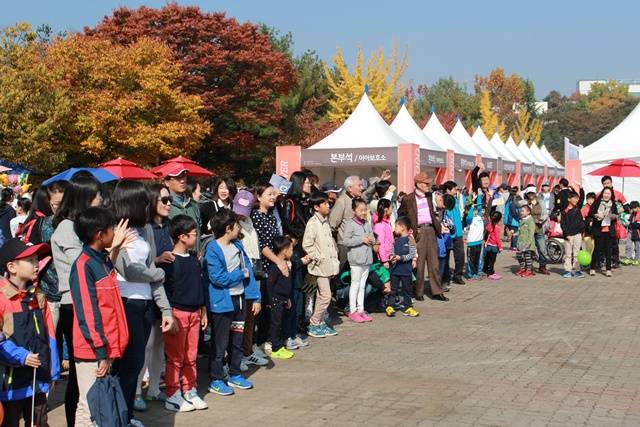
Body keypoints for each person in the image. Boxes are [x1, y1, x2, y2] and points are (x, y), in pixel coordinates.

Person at [110, 180, 175, 427]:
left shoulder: (145, 230)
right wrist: (157, 273)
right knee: (126, 365)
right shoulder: (116, 230)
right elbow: (128, 269)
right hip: (125, 303)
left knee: (136, 364)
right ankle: (119, 416)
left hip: (146, 305)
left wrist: (165, 309)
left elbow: (147, 269)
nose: (148, 205)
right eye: (144, 200)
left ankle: (127, 416)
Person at [69, 208, 130, 427]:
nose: (114, 232)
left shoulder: (102, 260)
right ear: (98, 234)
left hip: (105, 346)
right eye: (111, 229)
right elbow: (88, 313)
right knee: (89, 405)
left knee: (102, 405)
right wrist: (101, 351)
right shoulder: (84, 265)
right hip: (92, 350)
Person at [51, 175, 102, 426]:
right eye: (96, 196)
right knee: (79, 371)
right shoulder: (66, 228)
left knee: (88, 370)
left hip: (86, 302)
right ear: (83, 199)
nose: (101, 200)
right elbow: (80, 267)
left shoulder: (81, 227)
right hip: (73, 304)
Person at [0, 238, 58, 427]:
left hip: (38, 378)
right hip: (11, 383)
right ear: (12, 267)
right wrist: (22, 356)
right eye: (31, 260)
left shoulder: (38, 296)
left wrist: (53, 371)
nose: (37, 264)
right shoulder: (2, 298)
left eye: (37, 260)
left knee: (39, 421)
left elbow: (50, 335)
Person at [204, 209, 261, 396]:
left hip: (240, 300)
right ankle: (216, 378)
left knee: (237, 340)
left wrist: (255, 297)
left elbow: (249, 272)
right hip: (222, 303)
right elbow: (218, 278)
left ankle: (235, 373)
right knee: (220, 343)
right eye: (236, 225)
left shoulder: (238, 246)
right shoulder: (212, 249)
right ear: (228, 228)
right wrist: (239, 274)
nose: (239, 228)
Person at [134, 184, 174, 411]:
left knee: (160, 343)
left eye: (169, 200)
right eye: (164, 200)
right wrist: (158, 260)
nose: (169, 204)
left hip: (166, 292)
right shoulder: (144, 228)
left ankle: (154, 389)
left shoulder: (167, 227)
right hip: (148, 292)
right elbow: (143, 263)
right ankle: (138, 390)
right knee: (146, 344)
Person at [162, 215, 208, 412]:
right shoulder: (169, 261)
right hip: (177, 313)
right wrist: (168, 315)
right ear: (182, 236)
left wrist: (203, 310)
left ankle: (190, 389)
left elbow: (200, 286)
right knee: (175, 357)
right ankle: (172, 393)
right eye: (193, 234)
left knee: (191, 355)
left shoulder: (194, 260)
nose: (196, 237)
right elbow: (165, 291)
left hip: (194, 313)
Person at [232, 191, 270, 370]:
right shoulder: (230, 222)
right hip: (240, 272)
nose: (241, 213)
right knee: (240, 317)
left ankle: (247, 351)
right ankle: (237, 355)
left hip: (255, 270)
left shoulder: (249, 222)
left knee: (251, 315)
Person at [398, 172, 447, 302]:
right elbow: (401, 214)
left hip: (431, 230)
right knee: (419, 265)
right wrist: (410, 230)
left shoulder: (429, 196)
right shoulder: (408, 198)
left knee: (434, 264)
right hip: (418, 232)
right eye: (426, 183)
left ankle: (437, 291)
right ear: (418, 184)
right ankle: (418, 291)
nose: (428, 185)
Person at [251, 182, 285, 355]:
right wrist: (278, 261)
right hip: (263, 269)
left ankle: (266, 342)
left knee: (271, 308)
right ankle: (257, 344)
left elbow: (276, 242)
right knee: (262, 308)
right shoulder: (255, 216)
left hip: (273, 267)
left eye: (274, 194)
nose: (273, 197)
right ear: (258, 197)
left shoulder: (271, 216)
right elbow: (262, 245)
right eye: (269, 194)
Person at [302, 192, 340, 338]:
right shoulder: (313, 223)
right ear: (316, 207)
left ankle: (320, 322)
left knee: (322, 295)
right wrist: (318, 257)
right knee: (326, 295)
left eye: (328, 203)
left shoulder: (324, 222)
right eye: (324, 203)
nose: (328, 205)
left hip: (328, 265)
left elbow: (330, 243)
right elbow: (307, 244)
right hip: (319, 267)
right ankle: (314, 322)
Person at [343, 198, 376, 323]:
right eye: (360, 210)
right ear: (354, 210)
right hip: (356, 260)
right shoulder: (350, 224)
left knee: (362, 286)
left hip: (367, 260)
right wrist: (361, 240)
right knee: (355, 285)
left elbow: (372, 237)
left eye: (365, 210)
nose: (363, 212)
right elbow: (346, 241)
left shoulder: (367, 223)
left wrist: (372, 239)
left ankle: (361, 309)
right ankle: (352, 311)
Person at [266, 235, 296, 360]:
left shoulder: (286, 264)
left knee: (280, 323)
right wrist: (270, 301)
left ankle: (279, 344)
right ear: (284, 250)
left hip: (283, 299)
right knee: (275, 324)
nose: (292, 252)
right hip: (275, 301)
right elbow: (270, 284)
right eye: (291, 248)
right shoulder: (274, 267)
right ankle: (275, 348)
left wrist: (287, 298)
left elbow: (287, 285)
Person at [386, 216, 419, 317]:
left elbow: (412, 254)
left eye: (396, 226)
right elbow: (391, 251)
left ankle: (408, 307)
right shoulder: (395, 240)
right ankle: (390, 306)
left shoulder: (410, 240)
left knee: (407, 290)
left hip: (406, 270)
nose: (394, 229)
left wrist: (401, 258)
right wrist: (392, 257)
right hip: (395, 270)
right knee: (393, 289)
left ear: (403, 228)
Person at [164, 170, 202, 248]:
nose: (182, 181)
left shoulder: (193, 204)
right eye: (177, 177)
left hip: (196, 257)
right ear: (167, 182)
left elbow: (198, 231)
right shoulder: (164, 206)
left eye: (184, 176)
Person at [588, 187, 618, 277]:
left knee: (609, 250)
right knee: (597, 249)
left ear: (611, 195)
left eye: (608, 193)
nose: (606, 195)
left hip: (609, 230)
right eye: (605, 193)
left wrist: (610, 215)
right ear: (602, 193)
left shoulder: (613, 204)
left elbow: (616, 215)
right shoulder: (597, 202)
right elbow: (590, 213)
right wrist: (597, 215)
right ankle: (592, 268)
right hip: (598, 229)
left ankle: (608, 269)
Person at [441, 181, 465, 285]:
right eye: (454, 189)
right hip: (447, 235)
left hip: (458, 234)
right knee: (445, 258)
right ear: (448, 190)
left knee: (460, 256)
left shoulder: (456, 199)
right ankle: (445, 278)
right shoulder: (443, 201)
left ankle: (457, 276)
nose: (456, 191)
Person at [560, 190, 586, 278]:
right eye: (574, 198)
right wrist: (567, 234)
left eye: (577, 198)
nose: (576, 200)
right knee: (568, 254)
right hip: (568, 236)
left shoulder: (578, 208)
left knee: (576, 253)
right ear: (569, 199)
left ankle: (577, 270)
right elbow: (562, 224)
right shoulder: (565, 211)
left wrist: (581, 188)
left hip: (577, 234)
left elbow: (582, 198)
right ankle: (568, 270)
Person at [526, 189, 550, 275]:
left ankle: (542, 267)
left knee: (542, 249)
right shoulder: (526, 203)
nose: (531, 195)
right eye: (529, 193)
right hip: (529, 230)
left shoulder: (541, 202)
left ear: (535, 193)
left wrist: (541, 220)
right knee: (530, 249)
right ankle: (530, 267)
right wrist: (533, 220)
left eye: (532, 193)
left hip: (539, 229)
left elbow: (545, 214)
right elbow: (523, 214)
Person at [516, 205, 536, 277]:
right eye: (521, 211)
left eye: (523, 211)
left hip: (528, 243)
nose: (521, 212)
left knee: (528, 257)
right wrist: (515, 233)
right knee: (519, 255)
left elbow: (531, 234)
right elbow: (520, 231)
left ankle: (529, 271)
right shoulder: (522, 220)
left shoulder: (530, 221)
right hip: (520, 242)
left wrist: (528, 244)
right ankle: (523, 268)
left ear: (528, 212)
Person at [373, 199, 394, 265]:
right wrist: (384, 260)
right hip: (383, 260)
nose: (392, 210)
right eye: (391, 208)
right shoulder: (379, 225)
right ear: (386, 209)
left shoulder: (387, 222)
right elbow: (380, 244)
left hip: (389, 256)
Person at [484, 211, 503, 280]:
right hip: (494, 246)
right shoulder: (497, 228)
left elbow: (486, 234)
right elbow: (498, 239)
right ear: (499, 219)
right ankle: (490, 273)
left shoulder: (489, 225)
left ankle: (485, 269)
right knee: (492, 260)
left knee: (487, 258)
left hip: (488, 245)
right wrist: (500, 247)